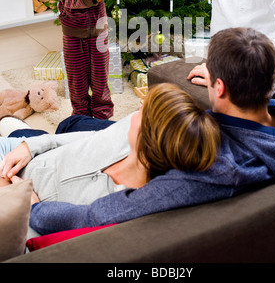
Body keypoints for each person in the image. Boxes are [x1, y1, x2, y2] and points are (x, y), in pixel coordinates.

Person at [2, 28, 275, 237]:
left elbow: (100, 215)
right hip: (82, 150)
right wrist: (231, 71)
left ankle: (13, 124)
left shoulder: (222, 168)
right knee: (75, 125)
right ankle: (21, 131)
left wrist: (36, 211)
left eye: (212, 77)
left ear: (219, 88)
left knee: (73, 124)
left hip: (45, 186)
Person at [0, 82, 220, 234]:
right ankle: (15, 129)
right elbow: (85, 138)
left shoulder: (116, 205)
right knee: (64, 125)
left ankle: (13, 126)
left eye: (143, 112)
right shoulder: (127, 133)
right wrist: (31, 146)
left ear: (146, 142)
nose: (138, 107)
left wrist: (30, 209)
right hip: (27, 154)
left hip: (15, 196)